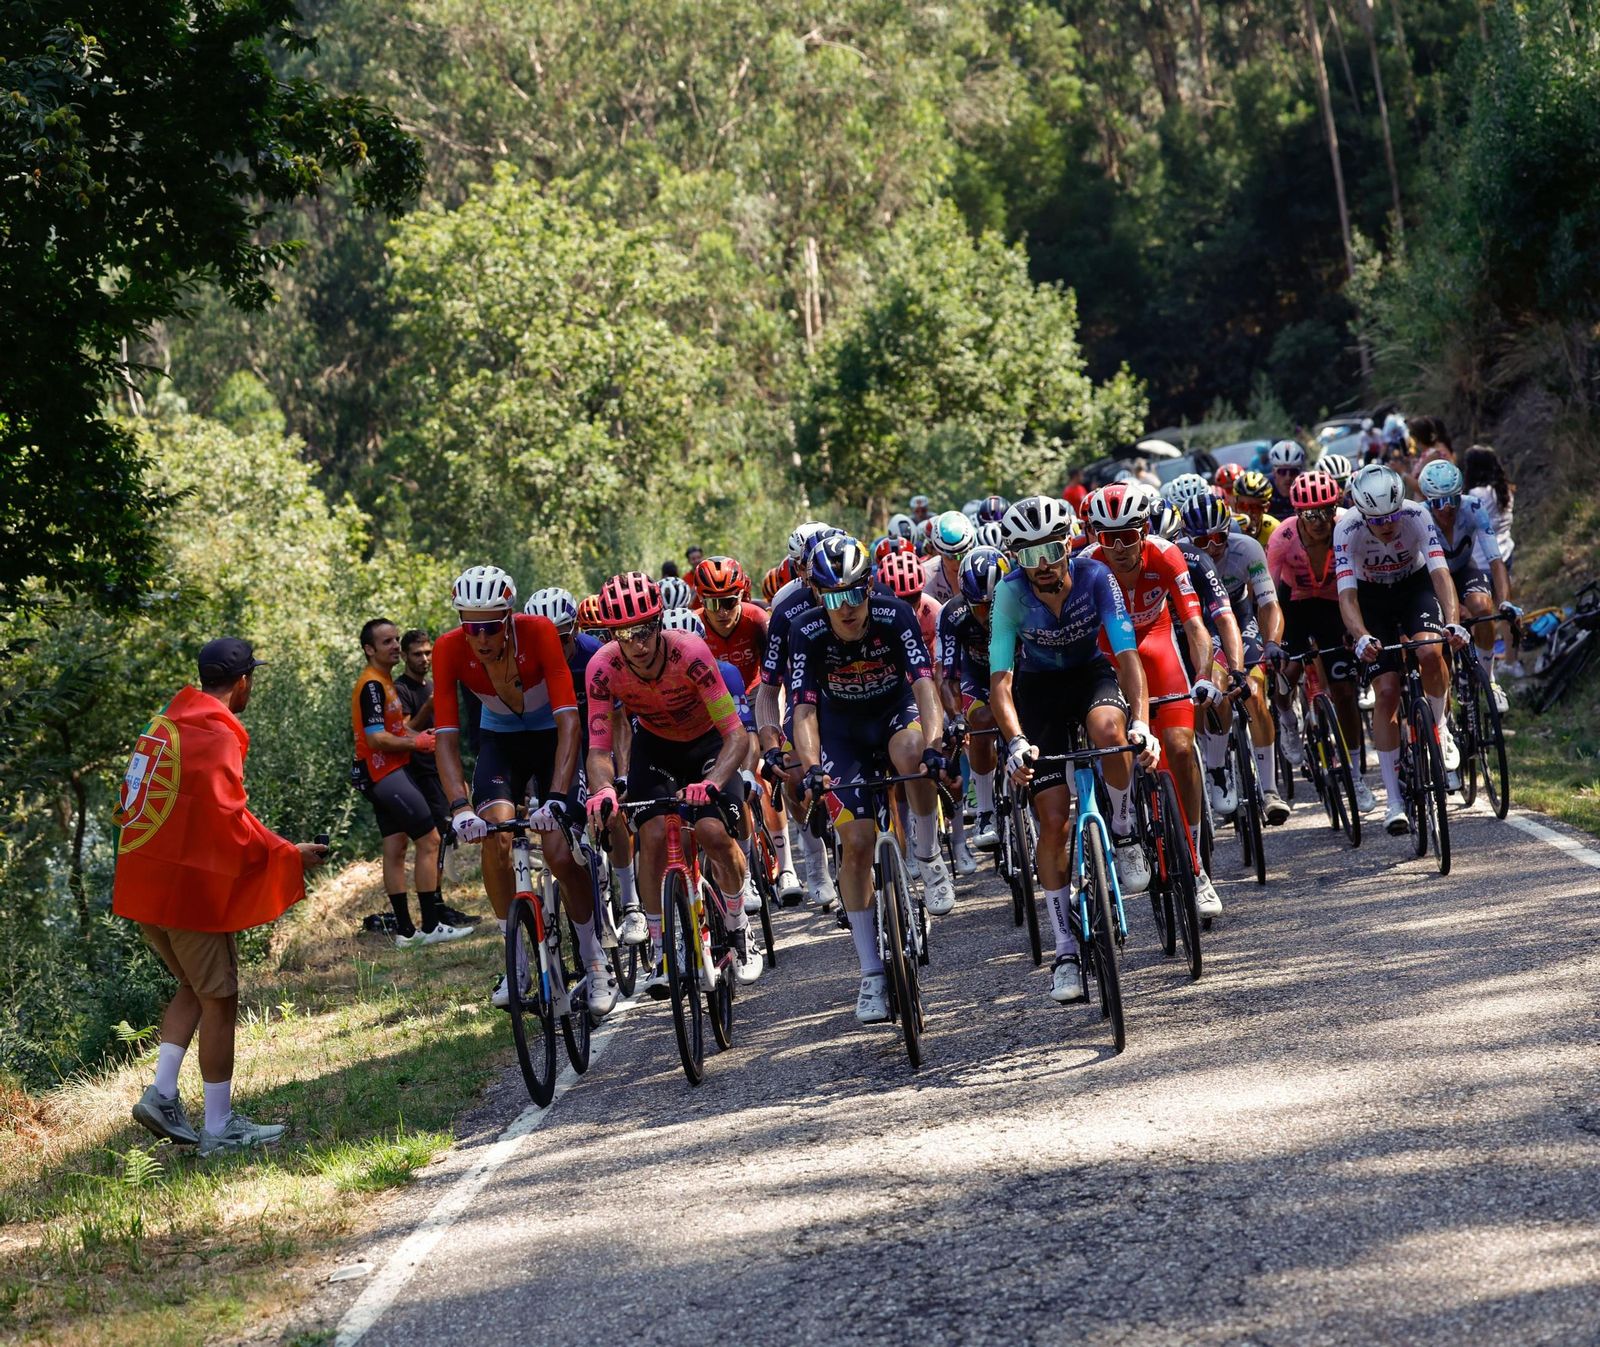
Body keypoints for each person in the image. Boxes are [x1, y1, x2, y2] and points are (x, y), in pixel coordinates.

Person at [114, 638, 329, 1156]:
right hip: (186, 894)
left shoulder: (165, 726)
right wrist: (288, 856)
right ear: (243, 682)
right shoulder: (215, 737)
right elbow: (229, 825)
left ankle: (163, 1093)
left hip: (143, 884)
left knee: (193, 985)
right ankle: (219, 1126)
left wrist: (279, 847)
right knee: (220, 998)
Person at [988, 496, 1158, 1004]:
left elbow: (1127, 655)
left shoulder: (1095, 577)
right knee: (1053, 819)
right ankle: (1064, 949)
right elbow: (1000, 681)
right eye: (1028, 555)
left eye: (1051, 551)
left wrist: (1143, 723)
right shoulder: (1009, 593)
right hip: (1036, 692)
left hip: (1089, 677)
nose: (1041, 567)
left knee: (1111, 731)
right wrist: (1016, 741)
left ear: (1069, 546)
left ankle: (1125, 833)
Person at [431, 566, 617, 1016]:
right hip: (501, 744)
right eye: (469, 626)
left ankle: (595, 963)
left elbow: (569, 720)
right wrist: (459, 807)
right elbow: (446, 738)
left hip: (552, 736)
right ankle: (515, 956)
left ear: (509, 617)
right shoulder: (448, 649)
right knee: (494, 834)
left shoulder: (537, 633)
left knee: (556, 850)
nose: (480, 637)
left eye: (490, 626)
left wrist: (555, 796)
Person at [791, 535, 952, 1024]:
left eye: (855, 592)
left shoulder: (893, 615)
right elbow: (801, 710)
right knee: (857, 843)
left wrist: (935, 743)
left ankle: (928, 853)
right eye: (834, 596)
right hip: (842, 734)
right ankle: (870, 974)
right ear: (819, 596)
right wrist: (812, 766)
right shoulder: (806, 630)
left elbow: (924, 686)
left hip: (892, 713)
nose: (847, 608)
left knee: (911, 752)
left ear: (869, 588)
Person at [583, 571, 764, 991]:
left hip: (709, 745)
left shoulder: (691, 653)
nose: (638, 644)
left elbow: (736, 735)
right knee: (651, 837)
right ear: (612, 634)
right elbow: (597, 750)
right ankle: (666, 947)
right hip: (656, 748)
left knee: (712, 831)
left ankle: (739, 928)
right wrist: (605, 789)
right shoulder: (601, 668)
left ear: (660, 622)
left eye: (645, 630)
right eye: (625, 634)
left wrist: (715, 780)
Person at [1081, 485, 1226, 917]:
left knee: (1180, 748)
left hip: (1159, 646)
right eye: (1109, 537)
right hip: (1108, 657)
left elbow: (1195, 626)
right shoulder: (1086, 566)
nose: (1120, 546)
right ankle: (1122, 826)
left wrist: (1203, 676)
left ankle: (1197, 867)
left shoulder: (1167, 555)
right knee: (1119, 745)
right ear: (1096, 536)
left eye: (1129, 534)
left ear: (1144, 529)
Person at [1336, 465, 1469, 835]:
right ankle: (1393, 801)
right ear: (1362, 512)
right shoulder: (1346, 528)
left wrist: (1453, 622)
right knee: (1388, 692)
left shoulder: (1416, 515)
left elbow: (1441, 575)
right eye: (1377, 519)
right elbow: (1346, 596)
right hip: (1371, 598)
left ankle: (1439, 727)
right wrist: (1361, 635)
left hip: (1414, 585)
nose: (1388, 524)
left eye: (1393, 514)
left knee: (1430, 651)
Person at [1266, 472, 1378, 814]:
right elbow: (1268, 597)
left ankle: (1356, 775)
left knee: (1344, 692)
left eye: (1327, 511)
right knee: (1289, 669)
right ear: (1298, 514)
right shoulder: (1283, 537)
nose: (1320, 521)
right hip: (1294, 605)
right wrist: (1271, 640)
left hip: (1334, 605)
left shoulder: (1347, 526)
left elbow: (1365, 579)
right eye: (1310, 514)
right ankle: (1287, 720)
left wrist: (1360, 627)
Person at [351, 620, 466, 946]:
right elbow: (376, 738)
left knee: (395, 846)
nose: (394, 646)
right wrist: (417, 744)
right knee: (429, 841)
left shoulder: (383, 682)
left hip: (381, 773)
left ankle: (405, 932)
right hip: (384, 773)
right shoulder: (372, 685)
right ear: (369, 649)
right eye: (386, 642)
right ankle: (431, 925)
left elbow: (399, 731)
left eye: (395, 639)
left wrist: (421, 737)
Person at [1417, 460, 1519, 711]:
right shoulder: (1418, 515)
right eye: (1438, 502)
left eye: (1453, 498)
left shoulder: (1473, 507)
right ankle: (1444, 717)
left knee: (1483, 608)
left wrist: (1504, 601)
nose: (1447, 508)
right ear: (1427, 500)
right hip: (1430, 580)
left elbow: (1496, 561)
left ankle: (1489, 680)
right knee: (1439, 647)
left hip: (1465, 570)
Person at [1463, 444, 1521, 675]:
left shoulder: (1475, 496)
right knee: (1507, 611)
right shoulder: (1506, 489)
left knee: (1482, 618)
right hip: (1506, 554)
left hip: (1481, 561)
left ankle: (1487, 667)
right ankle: (1512, 661)